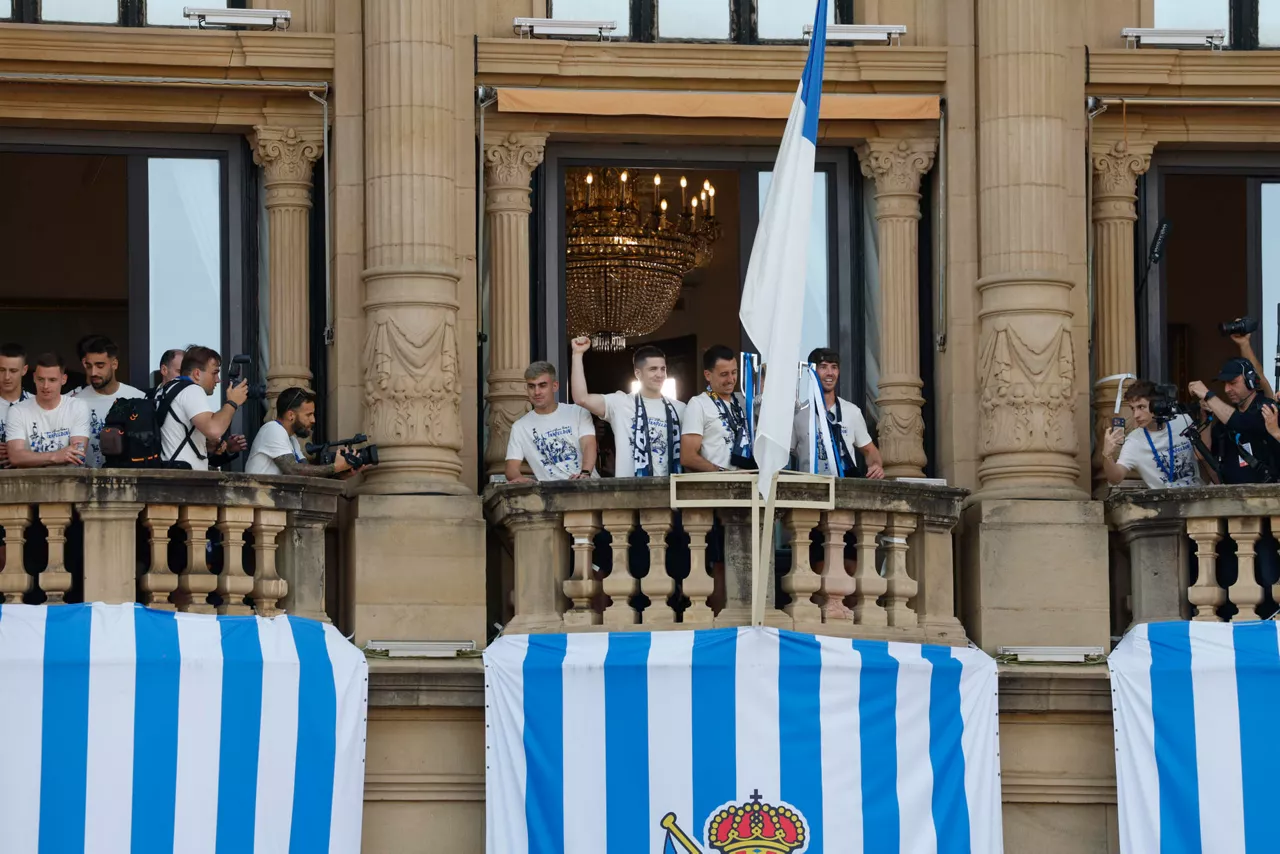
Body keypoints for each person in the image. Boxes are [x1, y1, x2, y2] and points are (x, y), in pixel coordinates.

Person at [571, 337, 685, 477]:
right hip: (630, 492)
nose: (660, 374)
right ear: (638, 373)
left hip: (671, 490)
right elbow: (581, 398)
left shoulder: (679, 409)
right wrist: (577, 354)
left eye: (663, 369)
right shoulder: (621, 403)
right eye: (653, 369)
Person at [791, 347, 884, 479]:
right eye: (823, 367)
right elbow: (782, 455)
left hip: (845, 490)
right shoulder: (799, 414)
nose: (830, 373)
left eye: (834, 367)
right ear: (811, 371)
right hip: (809, 492)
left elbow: (870, 450)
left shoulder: (852, 412)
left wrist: (876, 466)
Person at [1189, 358, 1280, 484]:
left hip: (1267, 498)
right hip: (1232, 498)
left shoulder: (1268, 409)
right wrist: (1205, 416)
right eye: (1225, 384)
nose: (1227, 389)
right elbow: (1201, 454)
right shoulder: (1225, 423)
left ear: (1250, 381)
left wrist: (1208, 395)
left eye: (1232, 382)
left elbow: (1242, 423)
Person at [1101, 380, 1204, 488]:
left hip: (1198, 496)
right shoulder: (1134, 441)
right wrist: (1107, 455)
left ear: (1157, 404)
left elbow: (1200, 455)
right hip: (1167, 503)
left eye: (1141, 407)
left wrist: (1205, 416)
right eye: (1132, 408)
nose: (1136, 415)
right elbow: (1115, 479)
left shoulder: (1183, 420)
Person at [159, 345, 248, 471]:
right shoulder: (191, 390)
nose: (218, 380)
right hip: (185, 479)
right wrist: (233, 402)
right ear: (197, 374)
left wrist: (208, 446)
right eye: (214, 373)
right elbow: (214, 429)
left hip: (170, 473)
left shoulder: (167, 390)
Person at [505, 361, 596, 482]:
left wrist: (585, 473)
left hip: (589, 487)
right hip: (551, 495)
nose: (536, 392)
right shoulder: (520, 427)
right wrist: (521, 479)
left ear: (555, 386)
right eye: (531, 386)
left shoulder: (577, 412)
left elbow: (589, 445)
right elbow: (511, 468)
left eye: (542, 385)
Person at [246, 386, 363, 477]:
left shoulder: (292, 440)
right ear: (291, 415)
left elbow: (307, 473)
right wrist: (335, 467)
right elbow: (292, 469)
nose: (313, 420)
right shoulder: (272, 429)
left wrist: (341, 473)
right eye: (308, 415)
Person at [69, 335, 145, 469]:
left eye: (100, 365)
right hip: (85, 482)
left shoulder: (137, 398)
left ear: (114, 364)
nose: (93, 372)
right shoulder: (75, 402)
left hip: (126, 481)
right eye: (89, 366)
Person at [4, 353, 89, 469]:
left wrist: (31, 458)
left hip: (70, 484)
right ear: (34, 378)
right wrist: (55, 456)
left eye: (52, 380)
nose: (45, 386)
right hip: (30, 485)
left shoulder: (77, 406)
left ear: (63, 379)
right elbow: (16, 457)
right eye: (40, 379)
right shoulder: (18, 411)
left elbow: (78, 454)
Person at [682, 344, 752, 472]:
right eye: (724, 374)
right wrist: (723, 474)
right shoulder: (698, 404)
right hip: (717, 487)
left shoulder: (743, 402)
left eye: (734, 372)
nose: (731, 379)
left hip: (749, 485)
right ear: (708, 375)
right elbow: (688, 457)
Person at [0, 343, 30, 469]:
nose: (7, 377)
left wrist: (20, 453)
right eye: (1, 370)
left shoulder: (37, 403)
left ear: (24, 370)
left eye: (13, 371)